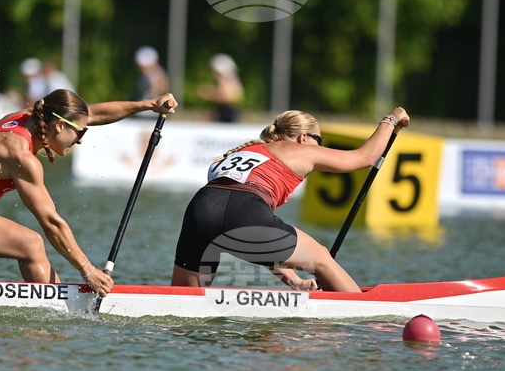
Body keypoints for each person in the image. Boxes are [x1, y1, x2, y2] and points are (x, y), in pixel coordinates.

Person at [0, 88, 178, 295]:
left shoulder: (28, 117)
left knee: (30, 244)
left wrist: (148, 104)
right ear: (58, 125)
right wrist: (88, 270)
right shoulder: (20, 156)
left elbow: (96, 114)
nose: (80, 140)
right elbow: (52, 222)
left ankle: (55, 310)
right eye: (79, 133)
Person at [171, 108, 409, 293]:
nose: (320, 147)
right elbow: (365, 157)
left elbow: (251, 234)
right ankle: (365, 320)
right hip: (246, 210)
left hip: (199, 209)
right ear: (304, 137)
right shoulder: (299, 149)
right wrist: (391, 119)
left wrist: (294, 280)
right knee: (323, 259)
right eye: (319, 140)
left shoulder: (239, 153)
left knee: (185, 300)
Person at [197, 53, 242, 122]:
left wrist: (208, 94)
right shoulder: (230, 78)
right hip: (226, 112)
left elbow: (226, 97)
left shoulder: (227, 78)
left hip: (227, 114)